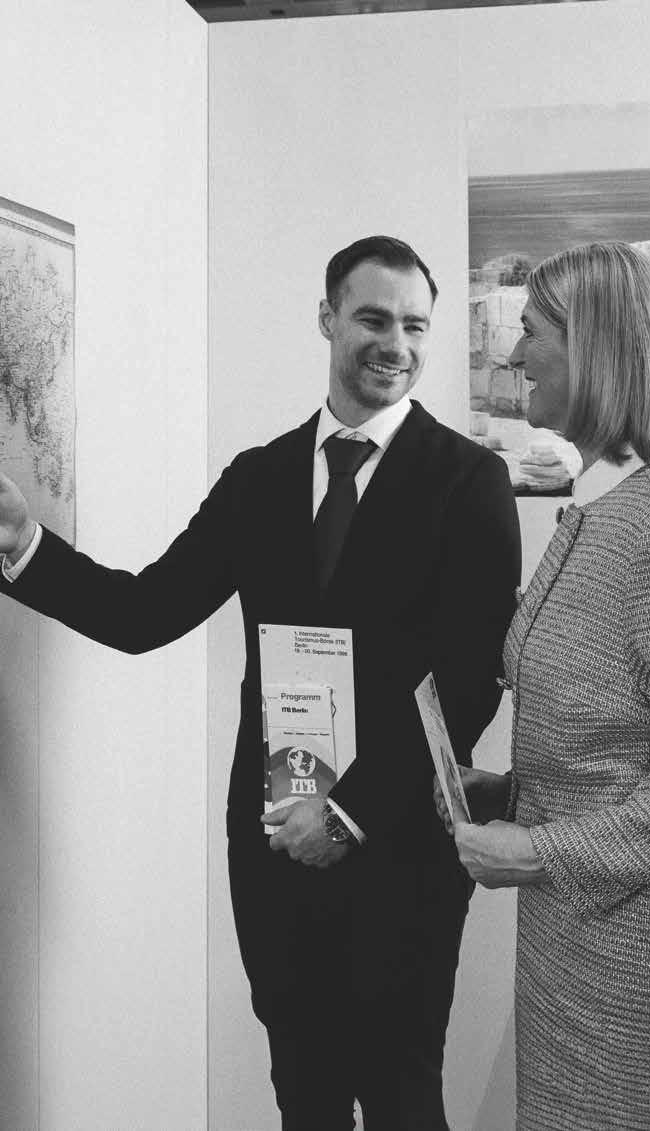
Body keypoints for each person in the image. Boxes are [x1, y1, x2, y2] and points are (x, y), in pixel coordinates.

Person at [0, 235, 522, 1130]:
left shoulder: (470, 480)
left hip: (400, 854)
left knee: (401, 1098)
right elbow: (144, 610)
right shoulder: (260, 477)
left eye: (414, 326)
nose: (395, 344)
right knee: (304, 1100)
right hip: (276, 849)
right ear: (326, 318)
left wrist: (349, 814)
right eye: (372, 319)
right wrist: (23, 548)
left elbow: (470, 685)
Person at [436, 241, 650, 1130]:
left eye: (533, 331)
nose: (515, 353)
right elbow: (619, 739)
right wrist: (512, 792)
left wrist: (540, 851)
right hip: (573, 955)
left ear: (595, 348)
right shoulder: (597, 506)